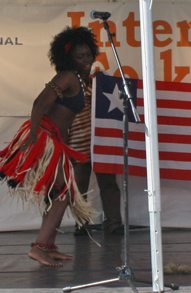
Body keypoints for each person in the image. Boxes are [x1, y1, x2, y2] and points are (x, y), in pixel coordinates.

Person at [0, 26, 98, 266]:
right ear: (68, 57)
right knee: (62, 195)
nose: (86, 60)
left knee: (58, 194)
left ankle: (48, 245)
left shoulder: (77, 78)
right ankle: (40, 247)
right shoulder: (66, 76)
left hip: (57, 142)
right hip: (46, 139)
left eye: (88, 55)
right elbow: (39, 103)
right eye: (80, 56)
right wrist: (33, 136)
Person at [69, 72, 124, 236]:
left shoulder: (98, 84)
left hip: (102, 141)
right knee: (79, 188)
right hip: (79, 143)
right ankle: (81, 224)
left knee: (109, 184)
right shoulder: (67, 86)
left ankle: (113, 223)